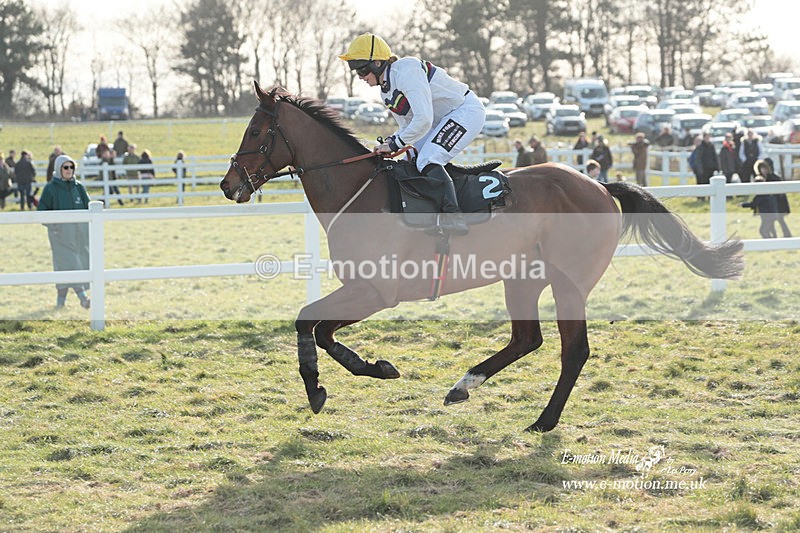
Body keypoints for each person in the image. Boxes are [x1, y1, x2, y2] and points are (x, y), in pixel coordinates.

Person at [339, 32, 486, 235]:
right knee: (410, 157)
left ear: (379, 63)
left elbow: (423, 119)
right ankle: (428, 213)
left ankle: (454, 217)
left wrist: (395, 144)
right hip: (439, 121)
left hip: (464, 112)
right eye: (356, 72)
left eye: (362, 70)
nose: (361, 77)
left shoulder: (406, 70)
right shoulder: (386, 91)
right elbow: (407, 127)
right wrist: (391, 142)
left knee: (428, 158)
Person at [37, 154, 91, 309]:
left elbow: (89, 207)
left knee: (65, 267)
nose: (69, 170)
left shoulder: (79, 187)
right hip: (60, 237)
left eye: (71, 167)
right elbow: (42, 211)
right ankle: (83, 298)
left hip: (79, 236)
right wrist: (56, 227)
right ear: (58, 169)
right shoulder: (50, 188)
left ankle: (60, 304)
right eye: (65, 167)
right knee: (71, 264)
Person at [759, 158, 792, 237]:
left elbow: (781, 195)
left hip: (778, 205)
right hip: (772, 205)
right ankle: (778, 235)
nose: (763, 170)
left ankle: (783, 235)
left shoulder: (774, 178)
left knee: (779, 220)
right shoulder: (764, 178)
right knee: (775, 221)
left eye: (765, 168)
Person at [740, 174, 779, 239]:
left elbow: (753, 204)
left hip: (767, 216)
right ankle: (774, 241)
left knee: (762, 230)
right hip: (774, 214)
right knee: (771, 229)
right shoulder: (768, 193)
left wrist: (742, 205)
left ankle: (769, 242)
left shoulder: (760, 195)